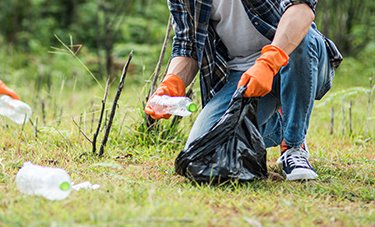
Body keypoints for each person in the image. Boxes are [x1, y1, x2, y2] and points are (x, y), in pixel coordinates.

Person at [146, 0, 342, 181]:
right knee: (206, 156)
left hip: (293, 54)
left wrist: (269, 61)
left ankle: (293, 146)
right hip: (242, 73)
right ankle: (281, 122)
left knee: (304, 39)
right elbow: (187, 44)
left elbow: (302, 9)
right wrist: (173, 82)